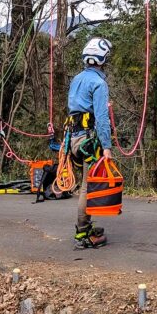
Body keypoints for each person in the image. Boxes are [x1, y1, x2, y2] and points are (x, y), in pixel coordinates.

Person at [65, 37, 114, 249]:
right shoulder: (99, 83)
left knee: (86, 185)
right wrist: (107, 146)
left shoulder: (77, 79)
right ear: (102, 59)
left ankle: (85, 227)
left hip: (74, 137)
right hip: (89, 139)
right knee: (87, 186)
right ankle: (82, 234)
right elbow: (102, 118)